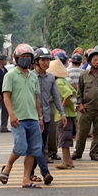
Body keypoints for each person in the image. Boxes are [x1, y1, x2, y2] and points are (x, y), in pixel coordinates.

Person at [0, 44, 45, 189]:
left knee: (33, 149)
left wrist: (40, 117)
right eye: (23, 57)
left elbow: (36, 98)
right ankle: (8, 166)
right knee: (20, 146)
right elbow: (6, 96)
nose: (25, 60)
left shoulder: (33, 76)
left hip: (33, 118)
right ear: (16, 58)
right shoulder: (10, 75)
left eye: (28, 57)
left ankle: (26, 179)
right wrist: (11, 115)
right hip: (18, 118)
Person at [30, 48, 66, 185]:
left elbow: (56, 96)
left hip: (46, 117)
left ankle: (31, 173)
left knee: (39, 146)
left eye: (48, 60)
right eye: (43, 60)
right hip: (32, 117)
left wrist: (62, 113)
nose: (46, 63)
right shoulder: (30, 76)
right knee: (37, 146)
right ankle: (45, 173)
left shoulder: (50, 77)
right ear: (36, 61)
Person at [72, 49, 98, 162]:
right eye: (94, 60)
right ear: (90, 62)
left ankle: (94, 153)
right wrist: (80, 104)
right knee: (82, 132)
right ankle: (78, 152)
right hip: (86, 108)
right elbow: (79, 91)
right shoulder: (83, 75)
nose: (97, 62)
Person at [48, 59, 76, 169]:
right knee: (67, 138)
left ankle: (65, 163)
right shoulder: (64, 80)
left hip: (63, 116)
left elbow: (68, 93)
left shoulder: (58, 82)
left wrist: (62, 108)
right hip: (70, 114)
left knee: (64, 139)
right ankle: (69, 161)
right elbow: (73, 91)